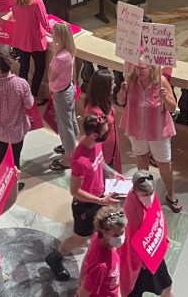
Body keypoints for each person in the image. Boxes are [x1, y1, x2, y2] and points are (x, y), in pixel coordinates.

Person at [45, 114, 126, 282]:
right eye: (105, 131)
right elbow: (75, 191)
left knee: (102, 229)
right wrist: (99, 201)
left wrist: (112, 172)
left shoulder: (95, 143)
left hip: (99, 197)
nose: (107, 133)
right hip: (86, 206)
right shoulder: (81, 160)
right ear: (95, 135)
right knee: (80, 238)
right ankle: (56, 256)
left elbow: (100, 159)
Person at [119, 56, 180, 211]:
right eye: (137, 68)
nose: (139, 71)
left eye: (142, 68)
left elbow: (172, 108)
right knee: (141, 157)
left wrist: (164, 97)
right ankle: (144, 191)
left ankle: (171, 194)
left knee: (164, 163)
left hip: (158, 129)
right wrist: (122, 90)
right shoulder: (130, 79)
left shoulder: (161, 81)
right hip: (136, 127)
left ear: (151, 68)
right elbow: (120, 101)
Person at [0, 52, 33, 168]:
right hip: (16, 131)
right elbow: (29, 105)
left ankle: (2, 184)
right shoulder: (21, 84)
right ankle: (14, 184)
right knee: (15, 160)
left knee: (0, 159)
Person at [12, 0, 53, 98]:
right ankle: (33, 94)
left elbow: (15, 17)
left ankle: (22, 93)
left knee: (23, 67)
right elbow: (45, 24)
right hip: (35, 40)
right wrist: (59, 32)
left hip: (21, 39)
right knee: (40, 67)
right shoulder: (37, 2)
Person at [78, 206, 127, 297]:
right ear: (103, 232)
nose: (120, 238)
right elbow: (84, 293)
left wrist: (80, 281)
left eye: (122, 233)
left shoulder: (96, 238)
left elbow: (86, 259)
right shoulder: (101, 266)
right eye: (115, 235)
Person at [47, 22, 77, 171]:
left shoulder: (60, 57)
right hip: (68, 89)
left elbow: (51, 77)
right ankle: (68, 146)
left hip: (61, 93)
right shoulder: (69, 51)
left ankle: (69, 157)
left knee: (65, 126)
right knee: (70, 121)